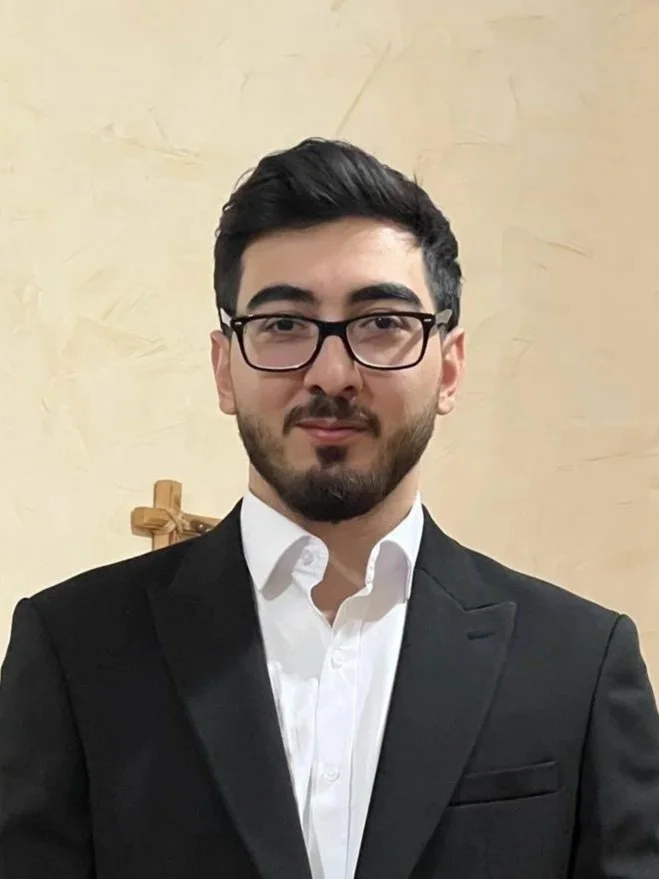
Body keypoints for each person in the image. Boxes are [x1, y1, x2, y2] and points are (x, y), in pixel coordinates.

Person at [1, 138, 658, 879]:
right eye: (283, 324)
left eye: (381, 323)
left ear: (449, 366)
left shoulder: (578, 662)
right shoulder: (74, 649)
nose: (332, 372)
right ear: (225, 368)